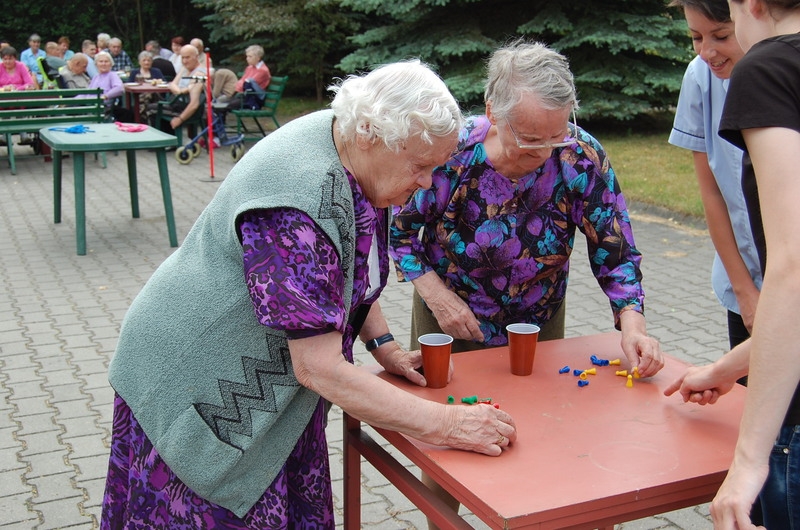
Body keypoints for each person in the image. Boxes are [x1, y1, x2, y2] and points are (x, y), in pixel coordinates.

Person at [99, 59, 517, 529]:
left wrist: (384, 346)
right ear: (370, 134)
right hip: (195, 379)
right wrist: (448, 425)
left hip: (273, 382)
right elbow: (318, 367)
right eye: (420, 167)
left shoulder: (351, 148)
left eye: (435, 168)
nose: (426, 183)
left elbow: (340, 271)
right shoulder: (297, 202)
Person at [390, 40, 664, 528]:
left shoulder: (579, 156)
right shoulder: (451, 153)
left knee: (539, 431)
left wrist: (633, 323)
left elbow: (615, 247)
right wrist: (437, 296)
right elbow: (400, 233)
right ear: (493, 112)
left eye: (556, 135)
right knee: (451, 439)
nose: (544, 151)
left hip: (537, 322)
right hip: (451, 318)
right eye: (531, 137)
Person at [665, 1, 800, 528]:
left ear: (752, 4)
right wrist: (730, 367)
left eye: (721, 32)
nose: (708, 51)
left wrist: (748, 461)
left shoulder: (768, 68)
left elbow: (793, 268)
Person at [667, 2, 761, 358]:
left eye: (721, 36)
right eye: (696, 37)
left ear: (752, 14)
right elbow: (713, 194)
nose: (707, 52)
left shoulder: (783, 74)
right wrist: (745, 292)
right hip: (746, 281)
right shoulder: (699, 77)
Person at [146, 44, 205, 134]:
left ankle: (165, 138)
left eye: (187, 57)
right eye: (182, 58)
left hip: (186, 109)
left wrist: (180, 119)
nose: (184, 61)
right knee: (152, 102)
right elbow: (172, 84)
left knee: (151, 109)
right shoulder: (185, 68)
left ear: (196, 57)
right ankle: (169, 136)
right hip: (176, 103)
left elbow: (194, 104)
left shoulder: (200, 74)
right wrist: (180, 91)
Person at [0, 46, 37, 146]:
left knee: (20, 106)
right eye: (5, 59)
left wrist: (16, 88)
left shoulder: (21, 66)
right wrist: (4, 89)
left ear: (15, 58)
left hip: (20, 99)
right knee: (5, 107)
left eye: (10, 58)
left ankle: (23, 135)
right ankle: (4, 136)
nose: (7, 61)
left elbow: (30, 83)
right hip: (3, 100)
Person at [84, 51, 132, 122]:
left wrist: (106, 95)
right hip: (90, 105)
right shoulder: (96, 77)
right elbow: (88, 92)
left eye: (106, 61)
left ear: (111, 64)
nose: (103, 64)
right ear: (96, 64)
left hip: (102, 108)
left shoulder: (112, 75)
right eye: (101, 61)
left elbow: (120, 88)